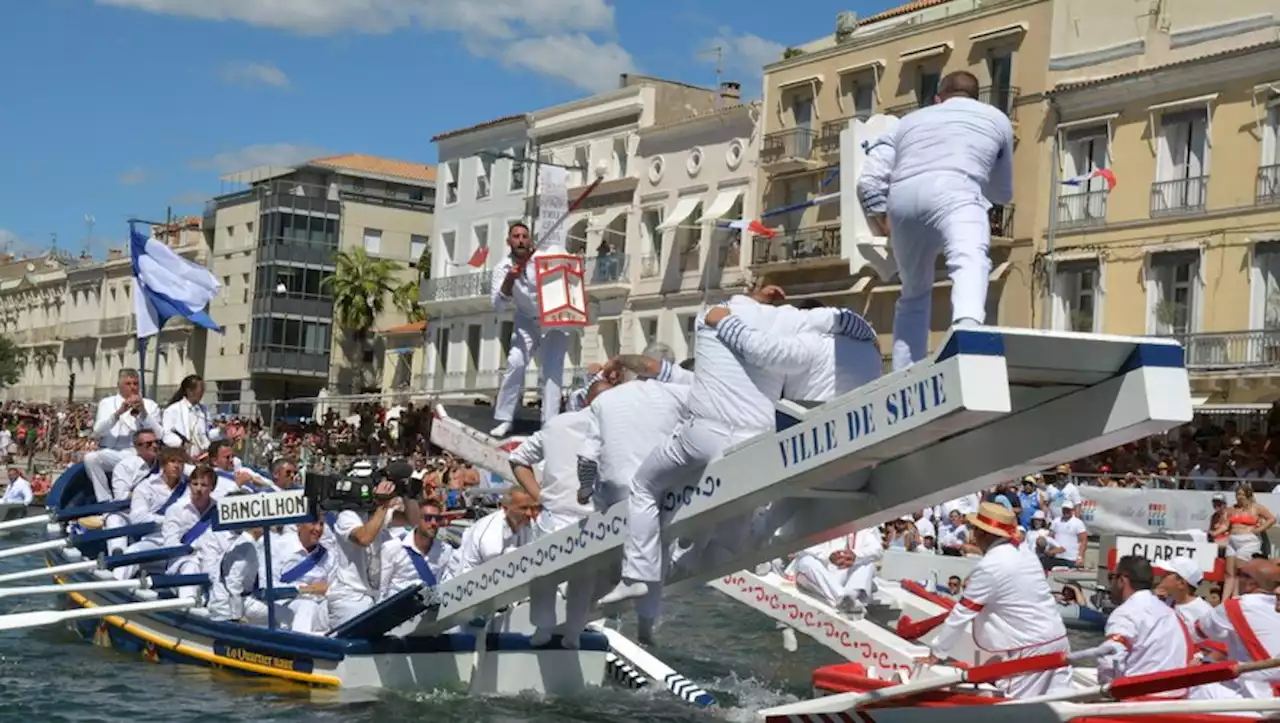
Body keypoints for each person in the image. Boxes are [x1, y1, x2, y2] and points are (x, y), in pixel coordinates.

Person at [598, 289, 874, 605]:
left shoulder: (803, 347)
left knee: (661, 493)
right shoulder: (859, 346)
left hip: (771, 456)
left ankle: (653, 570)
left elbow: (757, 347)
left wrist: (726, 320)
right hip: (812, 458)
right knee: (739, 527)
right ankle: (712, 556)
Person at [861, 70, 1014, 371]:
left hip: (903, 199)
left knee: (914, 292)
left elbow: (868, 181)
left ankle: (905, 370)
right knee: (969, 260)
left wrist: (883, 219)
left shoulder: (907, 122)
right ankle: (968, 331)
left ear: (937, 99)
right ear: (976, 97)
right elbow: (1003, 192)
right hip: (956, 192)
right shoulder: (996, 119)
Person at [922, 502, 1072, 698]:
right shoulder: (1025, 553)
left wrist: (937, 653)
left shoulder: (991, 565)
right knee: (1060, 706)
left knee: (1017, 712)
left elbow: (962, 613)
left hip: (1027, 648)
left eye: (975, 529)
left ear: (984, 533)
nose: (972, 534)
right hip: (1058, 639)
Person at [510, 409, 597, 647]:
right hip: (594, 517)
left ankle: (544, 627)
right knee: (583, 579)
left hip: (557, 513)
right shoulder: (617, 424)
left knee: (544, 576)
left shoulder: (557, 424)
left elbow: (517, 459)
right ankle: (573, 633)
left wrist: (539, 495)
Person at [489, 222, 568, 437]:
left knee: (552, 371)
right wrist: (510, 279)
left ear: (530, 240)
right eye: (516, 236)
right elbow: (498, 304)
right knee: (515, 362)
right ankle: (505, 418)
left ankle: (549, 425)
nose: (521, 240)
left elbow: (566, 267)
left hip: (552, 319)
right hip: (526, 319)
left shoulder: (543, 259)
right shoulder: (502, 268)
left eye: (525, 236)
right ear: (509, 242)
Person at [1092, 556, 1193, 697]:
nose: (1110, 583)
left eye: (1111, 577)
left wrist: (1106, 692)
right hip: (1176, 698)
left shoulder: (1126, 613)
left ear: (1122, 580)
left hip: (1140, 701)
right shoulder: (1170, 613)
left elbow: (1109, 660)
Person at [113, 447, 189, 581]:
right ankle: (113, 587)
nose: (177, 466)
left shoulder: (190, 487)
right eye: (172, 461)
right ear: (164, 464)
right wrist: (168, 520)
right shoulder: (145, 487)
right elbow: (138, 518)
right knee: (131, 553)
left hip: (182, 540)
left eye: (181, 462)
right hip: (155, 540)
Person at [84, 369, 160, 502]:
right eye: (128, 383)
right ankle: (105, 500)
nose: (132, 387)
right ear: (119, 385)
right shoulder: (106, 403)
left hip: (136, 453)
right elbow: (97, 431)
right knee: (91, 458)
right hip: (111, 452)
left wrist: (143, 413)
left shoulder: (150, 405)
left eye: (135, 384)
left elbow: (158, 434)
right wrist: (118, 413)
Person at [161, 465, 235, 600]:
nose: (199, 489)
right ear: (189, 485)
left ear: (212, 488)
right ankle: (188, 603)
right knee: (191, 565)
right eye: (195, 484)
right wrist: (195, 550)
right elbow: (170, 544)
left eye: (204, 485)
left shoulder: (219, 510)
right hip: (182, 563)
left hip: (212, 561)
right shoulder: (176, 510)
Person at [447, 488, 538, 578]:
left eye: (532, 507)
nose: (529, 513)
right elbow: (467, 574)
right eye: (523, 508)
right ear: (505, 508)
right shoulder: (490, 537)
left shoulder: (530, 523)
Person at [790, 527, 884, 614]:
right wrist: (828, 556)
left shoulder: (863, 526)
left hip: (841, 577)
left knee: (867, 563)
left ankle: (849, 598)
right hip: (818, 574)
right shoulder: (817, 517)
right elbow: (800, 546)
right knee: (806, 562)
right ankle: (843, 599)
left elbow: (878, 550)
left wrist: (856, 555)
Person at [274, 519, 338, 634]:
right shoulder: (279, 546)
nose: (318, 529)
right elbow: (268, 587)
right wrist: (308, 589)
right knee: (306, 605)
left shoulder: (329, 556)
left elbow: (331, 587)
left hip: (318, 604)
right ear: (299, 525)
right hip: (282, 603)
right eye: (313, 523)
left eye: (321, 524)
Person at [381, 499, 453, 599]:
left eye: (437, 519)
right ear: (418, 520)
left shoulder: (445, 551)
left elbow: (447, 584)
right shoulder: (393, 548)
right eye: (428, 518)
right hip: (399, 610)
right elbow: (381, 589)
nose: (433, 523)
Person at [208, 526, 269, 624]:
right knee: (281, 617)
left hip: (227, 601)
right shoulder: (247, 547)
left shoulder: (242, 542)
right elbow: (233, 582)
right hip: (228, 606)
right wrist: (236, 616)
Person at [161, 374, 220, 459]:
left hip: (202, 456)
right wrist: (181, 443)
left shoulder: (204, 410)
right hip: (183, 456)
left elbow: (208, 433)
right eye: (201, 389)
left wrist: (222, 431)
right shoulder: (172, 410)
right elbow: (166, 435)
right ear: (189, 391)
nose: (202, 393)